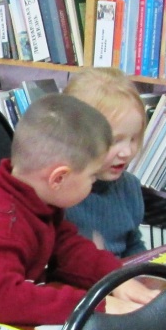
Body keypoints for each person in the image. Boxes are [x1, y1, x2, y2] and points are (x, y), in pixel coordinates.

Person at [0, 94, 158, 325]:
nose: (93, 183)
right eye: (92, 176)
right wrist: (90, 305)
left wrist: (115, 278)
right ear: (58, 179)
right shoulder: (3, 220)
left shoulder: (35, 199)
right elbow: (0, 296)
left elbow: (68, 248)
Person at [63, 67, 147, 257]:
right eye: (114, 141)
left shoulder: (129, 187)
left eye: (134, 139)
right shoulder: (58, 196)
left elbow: (133, 243)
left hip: (120, 273)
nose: (127, 152)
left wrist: (147, 268)